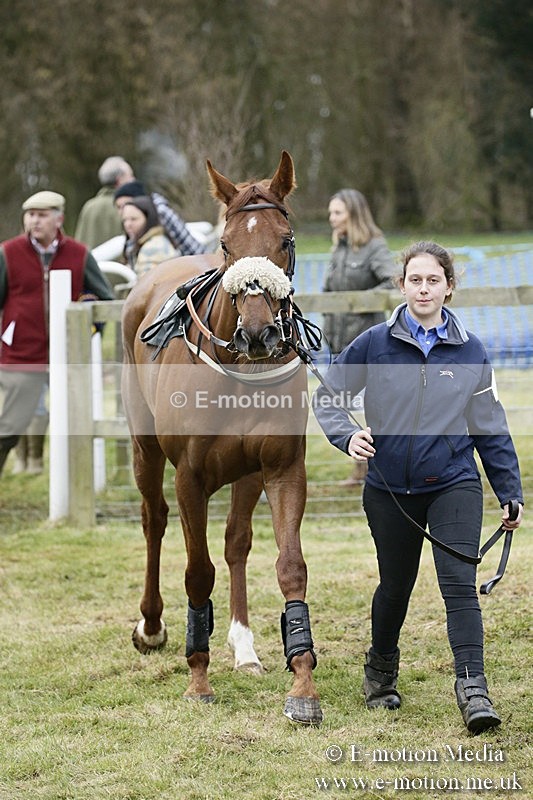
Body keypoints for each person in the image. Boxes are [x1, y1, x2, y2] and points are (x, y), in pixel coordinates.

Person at [313, 240, 524, 734]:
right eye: (415, 279)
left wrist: (508, 489)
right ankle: (381, 671)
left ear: (449, 288)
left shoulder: (471, 350)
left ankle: (473, 689)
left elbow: (489, 426)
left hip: (454, 482)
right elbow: (328, 398)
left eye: (433, 280)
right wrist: (348, 435)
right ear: (401, 285)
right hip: (388, 489)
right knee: (396, 585)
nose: (423, 288)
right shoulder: (373, 343)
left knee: (458, 586)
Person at [0, 190, 115, 476]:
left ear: (59, 218)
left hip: (67, 350)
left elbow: (104, 297)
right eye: (30, 215)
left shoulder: (79, 253)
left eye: (42, 215)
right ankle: (16, 468)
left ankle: (66, 477)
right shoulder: (8, 252)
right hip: (20, 350)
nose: (34, 221)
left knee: (73, 419)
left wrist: (88, 331)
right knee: (12, 422)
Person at [324, 188, 397, 486]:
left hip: (367, 343)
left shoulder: (374, 248)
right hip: (339, 344)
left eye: (337, 212)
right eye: (331, 213)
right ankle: (362, 467)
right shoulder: (338, 250)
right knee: (343, 405)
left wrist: (363, 302)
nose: (331, 218)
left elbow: (393, 282)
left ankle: (373, 469)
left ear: (354, 214)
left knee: (372, 407)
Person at [114, 180, 205, 258]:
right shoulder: (130, 223)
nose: (123, 210)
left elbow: (190, 247)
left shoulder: (161, 213)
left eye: (126, 204)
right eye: (119, 207)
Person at [74, 156, 135, 248]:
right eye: (130, 175)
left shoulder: (89, 206)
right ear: (119, 180)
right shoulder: (127, 206)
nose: (133, 179)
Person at [120, 196, 176, 276]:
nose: (127, 224)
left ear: (148, 219)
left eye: (133, 219)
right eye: (125, 220)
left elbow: (146, 286)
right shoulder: (156, 240)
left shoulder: (152, 248)